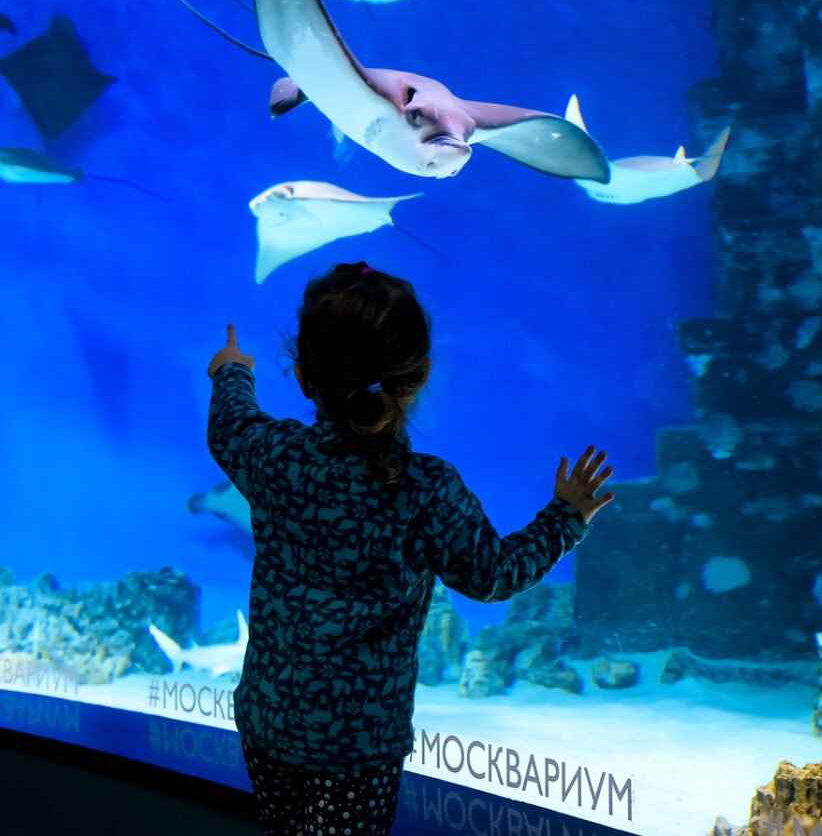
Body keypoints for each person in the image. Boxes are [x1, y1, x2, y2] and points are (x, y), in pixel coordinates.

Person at [205, 262, 614, 836]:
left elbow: (231, 427)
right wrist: (566, 518)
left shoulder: (275, 457)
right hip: (360, 746)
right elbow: (493, 575)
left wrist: (232, 373)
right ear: (417, 377)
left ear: (300, 376)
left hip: (269, 724)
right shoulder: (426, 489)